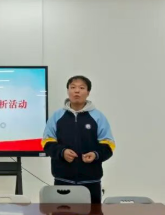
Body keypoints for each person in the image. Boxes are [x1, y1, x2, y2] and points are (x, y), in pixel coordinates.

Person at [42, 75, 115, 204]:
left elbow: (109, 146)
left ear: (88, 92)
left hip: (91, 182)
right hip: (62, 181)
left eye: (81, 88)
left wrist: (95, 154)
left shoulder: (98, 117)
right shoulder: (57, 116)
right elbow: (47, 143)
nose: (77, 91)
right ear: (68, 91)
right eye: (73, 87)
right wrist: (62, 152)